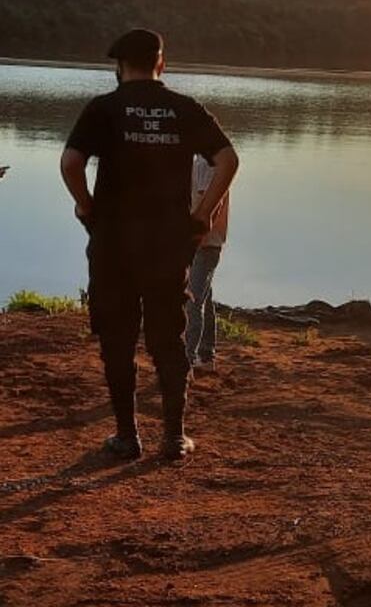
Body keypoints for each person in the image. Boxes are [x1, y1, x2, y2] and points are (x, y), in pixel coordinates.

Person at [60, 29, 239, 460]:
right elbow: (228, 160)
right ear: (161, 63)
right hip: (166, 244)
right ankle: (174, 437)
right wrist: (204, 214)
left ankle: (127, 437)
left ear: (120, 67)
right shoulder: (183, 108)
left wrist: (87, 208)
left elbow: (70, 163)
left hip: (114, 245)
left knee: (117, 340)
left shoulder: (104, 108)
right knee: (168, 338)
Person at [185, 155, 229, 375]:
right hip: (204, 243)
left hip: (204, 244)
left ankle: (186, 362)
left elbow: (210, 205)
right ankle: (206, 356)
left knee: (192, 301)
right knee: (204, 297)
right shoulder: (202, 161)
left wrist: (197, 238)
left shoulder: (206, 162)